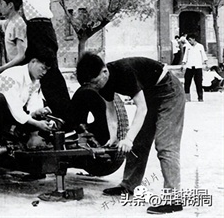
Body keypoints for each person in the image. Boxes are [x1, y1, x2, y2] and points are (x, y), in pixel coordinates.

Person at [76, 53, 185, 215]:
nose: (95, 87)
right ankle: (129, 185)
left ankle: (174, 199)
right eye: (91, 85)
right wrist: (113, 137)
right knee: (139, 143)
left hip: (169, 92)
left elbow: (142, 109)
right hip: (150, 94)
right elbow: (110, 110)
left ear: (104, 71)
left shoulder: (125, 72)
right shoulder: (103, 82)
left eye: (95, 82)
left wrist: (127, 138)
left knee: (165, 145)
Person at [0, 56, 55, 149]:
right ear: (33, 61)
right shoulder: (13, 75)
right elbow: (14, 106)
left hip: (9, 113)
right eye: (42, 68)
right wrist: (36, 123)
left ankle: (25, 139)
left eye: (47, 70)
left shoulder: (35, 81)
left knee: (38, 116)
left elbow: (33, 101)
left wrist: (38, 111)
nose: (44, 73)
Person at [181, 34, 207, 102]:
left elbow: (203, 55)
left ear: (194, 39)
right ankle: (187, 97)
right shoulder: (188, 47)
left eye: (190, 40)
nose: (189, 42)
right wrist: (183, 63)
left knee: (198, 83)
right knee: (187, 82)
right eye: (188, 40)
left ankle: (200, 97)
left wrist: (205, 62)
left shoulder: (200, 46)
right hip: (189, 67)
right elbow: (185, 56)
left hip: (198, 67)